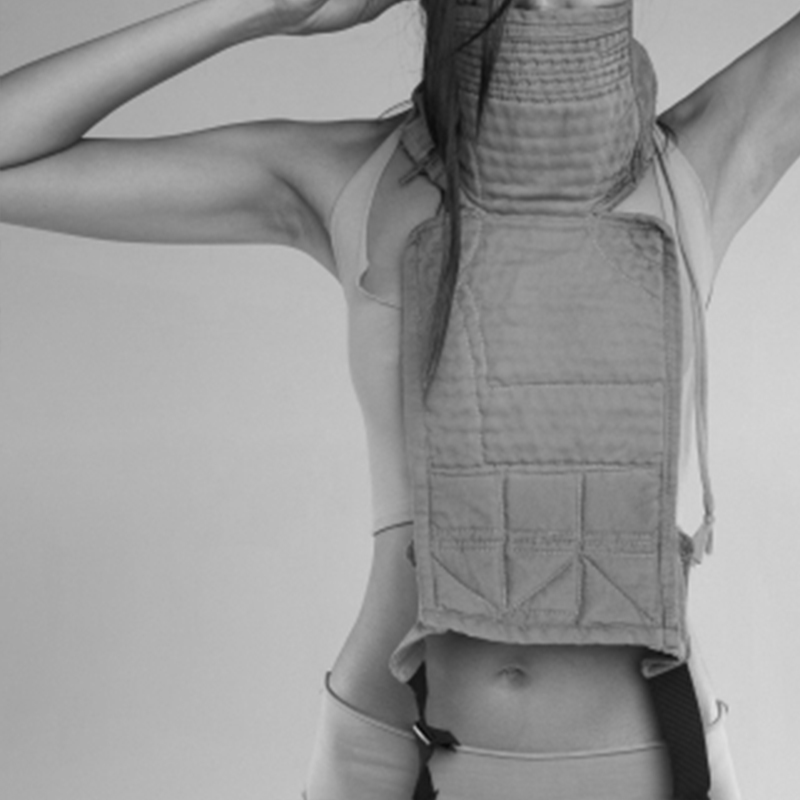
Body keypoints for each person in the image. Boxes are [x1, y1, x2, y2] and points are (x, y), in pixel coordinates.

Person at [1, 1, 798, 798]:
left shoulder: (702, 158)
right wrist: (259, 10)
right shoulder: (350, 176)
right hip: (390, 759)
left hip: (654, 764)